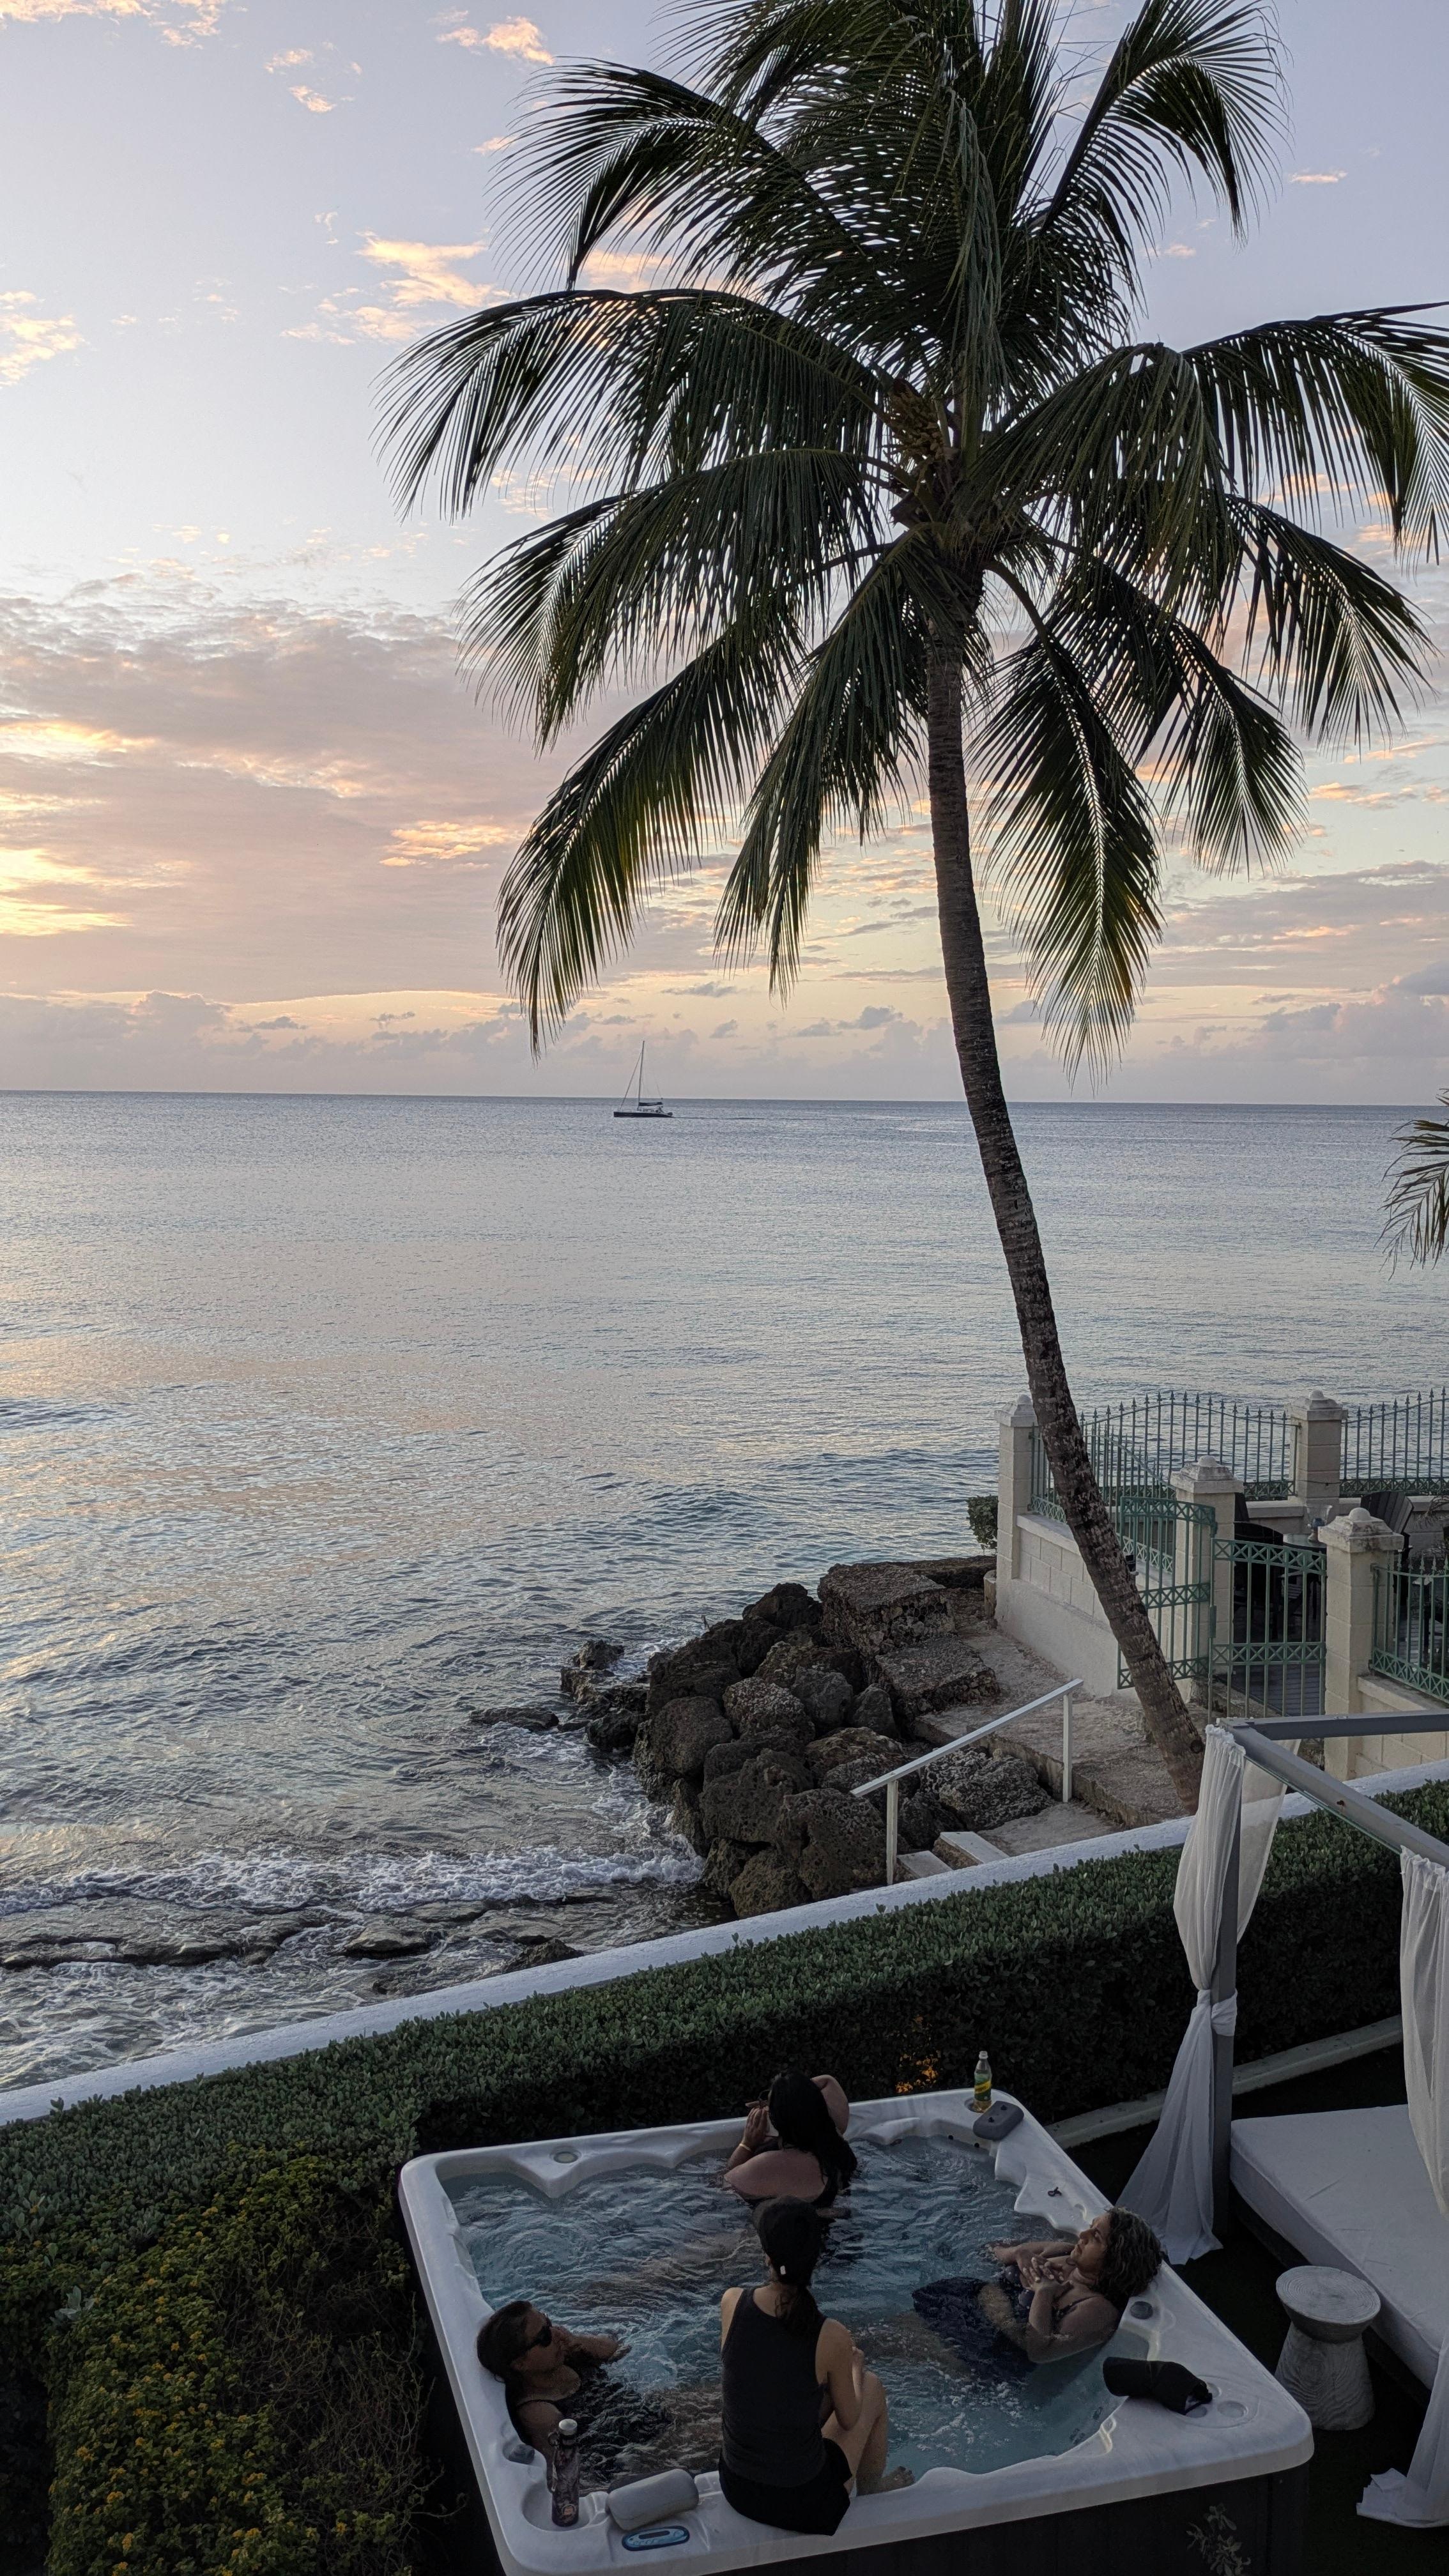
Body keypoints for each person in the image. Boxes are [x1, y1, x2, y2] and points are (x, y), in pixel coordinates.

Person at [719, 2198, 910, 2534]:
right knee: (872, 2387)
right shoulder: (831, 2334)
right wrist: (855, 2369)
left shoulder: (732, 2302)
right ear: (816, 2259)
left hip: (737, 2487)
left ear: (767, 2256)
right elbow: (849, 2420)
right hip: (802, 2504)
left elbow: (763, 2375)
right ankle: (873, 2493)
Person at [910, 2205, 1163, 2375]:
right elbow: (989, 2251)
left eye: (1095, 2237)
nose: (1083, 2234)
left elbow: (1041, 2352)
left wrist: (1043, 2293)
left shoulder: (1097, 2308)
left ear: (1116, 2261)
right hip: (962, 2305)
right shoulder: (1064, 2252)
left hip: (980, 2347)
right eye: (1090, 2226)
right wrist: (1019, 2253)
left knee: (889, 2347)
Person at [476, 2301, 629, 2461]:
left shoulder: (566, 2356)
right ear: (520, 2363)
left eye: (549, 2323)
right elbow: (567, 2465)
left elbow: (617, 2349)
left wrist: (577, 2341)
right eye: (545, 2337)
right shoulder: (540, 2413)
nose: (557, 2333)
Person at [723, 2069, 856, 2205]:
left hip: (782, 2218)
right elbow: (827, 2081)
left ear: (776, 2121)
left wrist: (747, 2144)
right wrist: (789, 2095)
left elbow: (722, 2186)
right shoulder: (836, 2145)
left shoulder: (765, 2165)